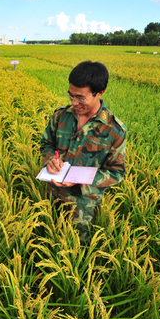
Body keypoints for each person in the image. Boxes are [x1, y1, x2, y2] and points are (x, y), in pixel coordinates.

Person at [40, 60, 127, 245]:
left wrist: (81, 180)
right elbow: (47, 143)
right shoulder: (60, 116)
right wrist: (49, 160)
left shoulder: (114, 130)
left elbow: (116, 172)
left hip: (83, 205)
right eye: (71, 96)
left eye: (80, 98)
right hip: (51, 195)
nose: (74, 102)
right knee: (47, 240)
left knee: (76, 250)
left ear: (99, 92)